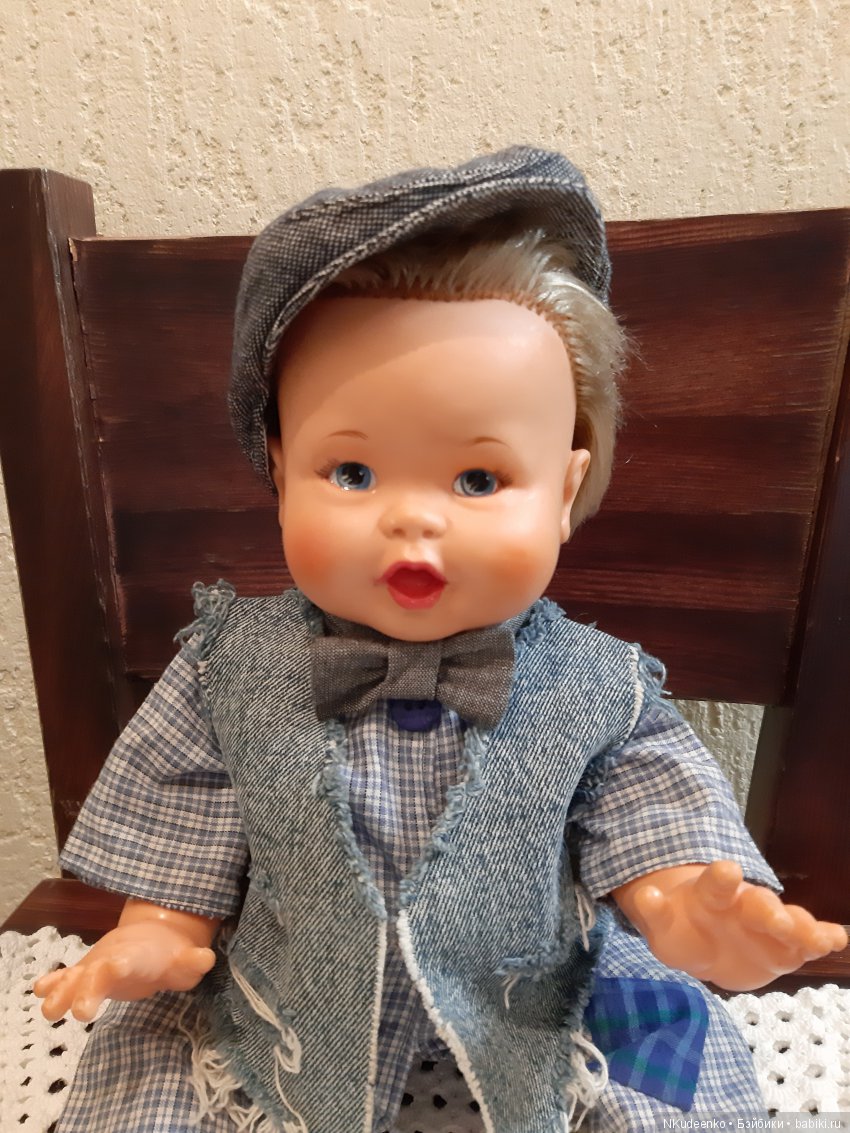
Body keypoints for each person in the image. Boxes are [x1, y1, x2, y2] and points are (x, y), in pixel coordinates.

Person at [35, 147, 847, 1133]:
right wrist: (158, 927)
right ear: (281, 472)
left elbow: (647, 808)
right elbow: (186, 816)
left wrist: (679, 901)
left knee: (669, 1085)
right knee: (151, 1090)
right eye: (352, 473)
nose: (412, 519)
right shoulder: (229, 668)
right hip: (286, 1004)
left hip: (536, 1002)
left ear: (563, 491)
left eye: (477, 480)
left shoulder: (599, 688)